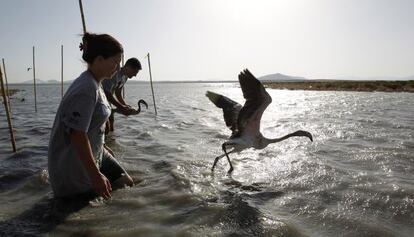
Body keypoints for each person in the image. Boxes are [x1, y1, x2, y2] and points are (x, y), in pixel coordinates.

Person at [48, 32, 134, 199]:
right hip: (73, 166)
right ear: (99, 59)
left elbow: (93, 124)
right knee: (97, 203)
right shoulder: (86, 89)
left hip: (98, 152)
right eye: (115, 62)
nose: (117, 68)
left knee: (126, 183)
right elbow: (77, 134)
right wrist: (95, 175)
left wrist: (102, 145)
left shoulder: (97, 83)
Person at [102, 57, 142, 133]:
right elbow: (106, 93)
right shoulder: (114, 74)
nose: (135, 75)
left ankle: (110, 142)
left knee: (111, 126)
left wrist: (125, 105)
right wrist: (121, 107)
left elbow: (118, 92)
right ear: (129, 67)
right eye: (135, 72)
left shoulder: (125, 77)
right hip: (100, 100)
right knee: (106, 127)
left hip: (108, 102)